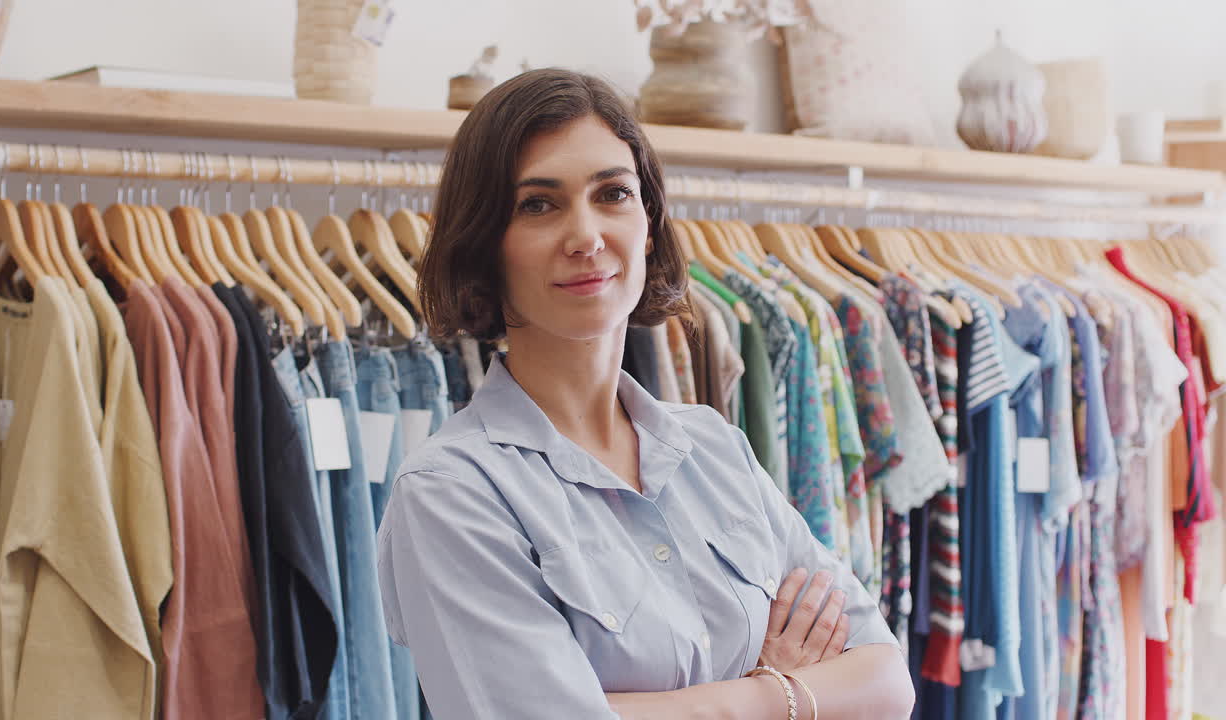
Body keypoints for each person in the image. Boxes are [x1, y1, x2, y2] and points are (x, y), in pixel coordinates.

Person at [376, 68, 915, 720]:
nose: (586, 236)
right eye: (538, 205)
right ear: (485, 245)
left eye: (613, 194)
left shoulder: (713, 448)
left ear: (650, 225)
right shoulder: (452, 493)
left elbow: (887, 681)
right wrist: (781, 690)